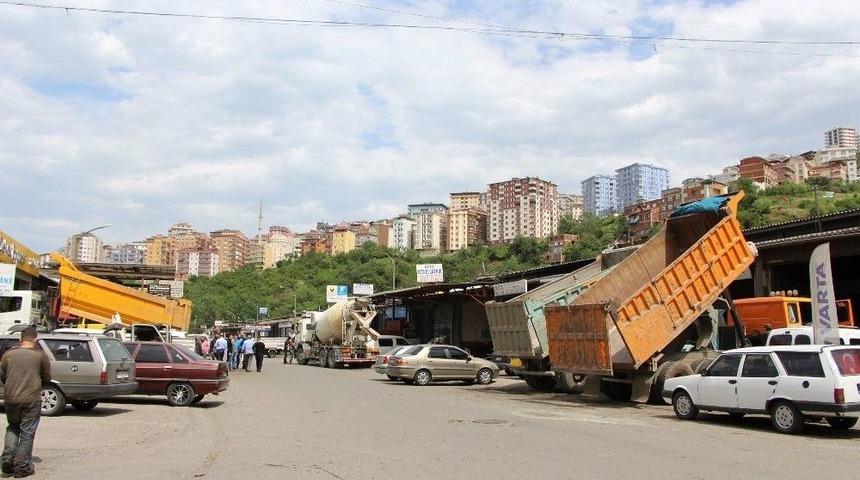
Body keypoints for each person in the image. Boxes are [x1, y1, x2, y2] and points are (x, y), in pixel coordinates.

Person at [0, 327, 51, 478]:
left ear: (20, 339)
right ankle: (22, 466)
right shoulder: (40, 356)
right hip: (31, 399)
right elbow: (47, 377)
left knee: (13, 427)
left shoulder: (8, 355)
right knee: (27, 432)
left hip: (11, 398)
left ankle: (7, 459)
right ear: (35, 340)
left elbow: (3, 376)